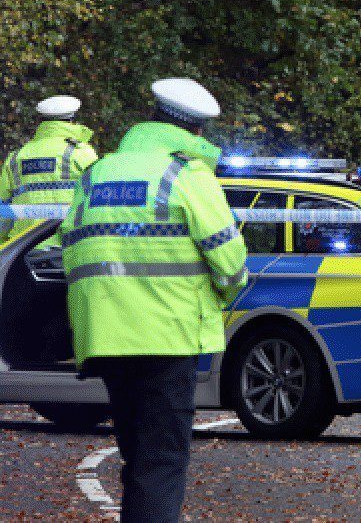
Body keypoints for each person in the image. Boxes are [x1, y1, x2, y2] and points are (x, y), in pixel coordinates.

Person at [62, 78, 248, 522]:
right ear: (196, 131)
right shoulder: (185, 174)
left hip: (105, 333)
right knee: (162, 460)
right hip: (167, 334)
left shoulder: (98, 172)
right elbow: (229, 258)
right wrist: (223, 293)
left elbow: (70, 245)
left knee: (138, 456)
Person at [0, 96, 99, 244]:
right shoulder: (82, 153)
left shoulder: (16, 157)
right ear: (72, 120)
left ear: (41, 122)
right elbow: (96, 205)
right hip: (70, 248)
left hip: (24, 251)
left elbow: (3, 214)